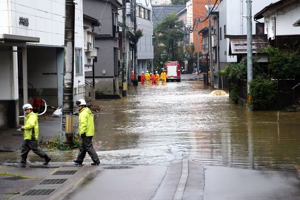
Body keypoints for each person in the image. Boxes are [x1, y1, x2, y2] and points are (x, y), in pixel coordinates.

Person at [74, 99, 100, 166]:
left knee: (89, 148)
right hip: (89, 132)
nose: (78, 107)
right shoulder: (87, 111)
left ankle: (96, 161)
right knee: (83, 147)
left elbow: (83, 124)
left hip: (86, 133)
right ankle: (79, 161)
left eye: (79, 106)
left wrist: (82, 133)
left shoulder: (83, 113)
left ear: (82, 106)